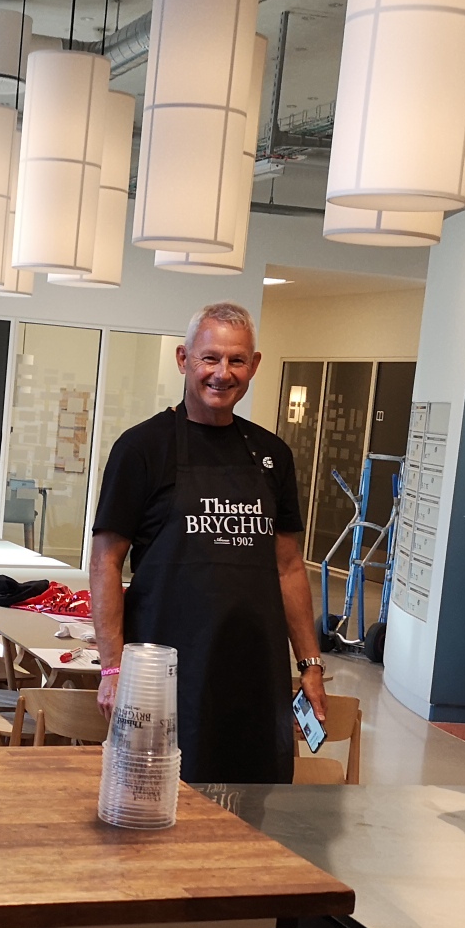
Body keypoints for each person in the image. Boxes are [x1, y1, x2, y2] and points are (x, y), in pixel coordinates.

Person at [90, 302, 328, 784]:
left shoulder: (273, 455)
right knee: (158, 795)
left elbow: (289, 568)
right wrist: (113, 668)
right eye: (210, 358)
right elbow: (105, 563)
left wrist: (310, 665)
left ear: (254, 365)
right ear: (184, 359)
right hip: (163, 673)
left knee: (256, 803)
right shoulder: (141, 449)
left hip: (255, 671)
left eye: (237, 360)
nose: (223, 373)